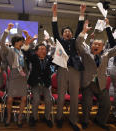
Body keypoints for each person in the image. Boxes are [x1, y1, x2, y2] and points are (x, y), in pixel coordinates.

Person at [76, 20, 116, 130]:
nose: (96, 45)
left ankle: (100, 120)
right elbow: (78, 44)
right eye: (95, 44)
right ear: (91, 45)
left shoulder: (106, 54)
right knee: (87, 104)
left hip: (101, 85)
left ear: (103, 47)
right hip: (88, 84)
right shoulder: (85, 53)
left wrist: (108, 26)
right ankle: (84, 121)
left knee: (107, 105)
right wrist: (83, 32)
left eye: (99, 44)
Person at [52, 3, 86, 131]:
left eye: (69, 32)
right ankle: (59, 118)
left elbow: (78, 28)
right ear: (62, 35)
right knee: (60, 96)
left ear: (71, 34)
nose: (67, 33)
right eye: (65, 32)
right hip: (62, 70)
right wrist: (54, 14)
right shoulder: (59, 41)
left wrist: (81, 13)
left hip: (75, 71)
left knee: (75, 97)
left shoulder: (74, 41)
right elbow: (55, 29)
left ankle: (73, 120)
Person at [0, 23, 32, 128]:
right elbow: (1, 43)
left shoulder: (23, 51)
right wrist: (7, 30)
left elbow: (30, 47)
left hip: (23, 77)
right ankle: (8, 117)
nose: (22, 43)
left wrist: (27, 37)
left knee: (23, 98)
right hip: (13, 76)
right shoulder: (9, 50)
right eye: (20, 41)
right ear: (15, 42)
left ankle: (19, 117)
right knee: (10, 99)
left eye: (22, 41)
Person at [24, 42, 55, 128]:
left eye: (44, 49)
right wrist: (27, 43)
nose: (43, 50)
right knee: (36, 100)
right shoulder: (33, 58)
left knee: (49, 101)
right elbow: (26, 53)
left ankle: (47, 118)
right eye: (41, 49)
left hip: (46, 84)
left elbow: (57, 63)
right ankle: (34, 118)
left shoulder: (49, 58)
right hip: (35, 83)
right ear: (36, 52)